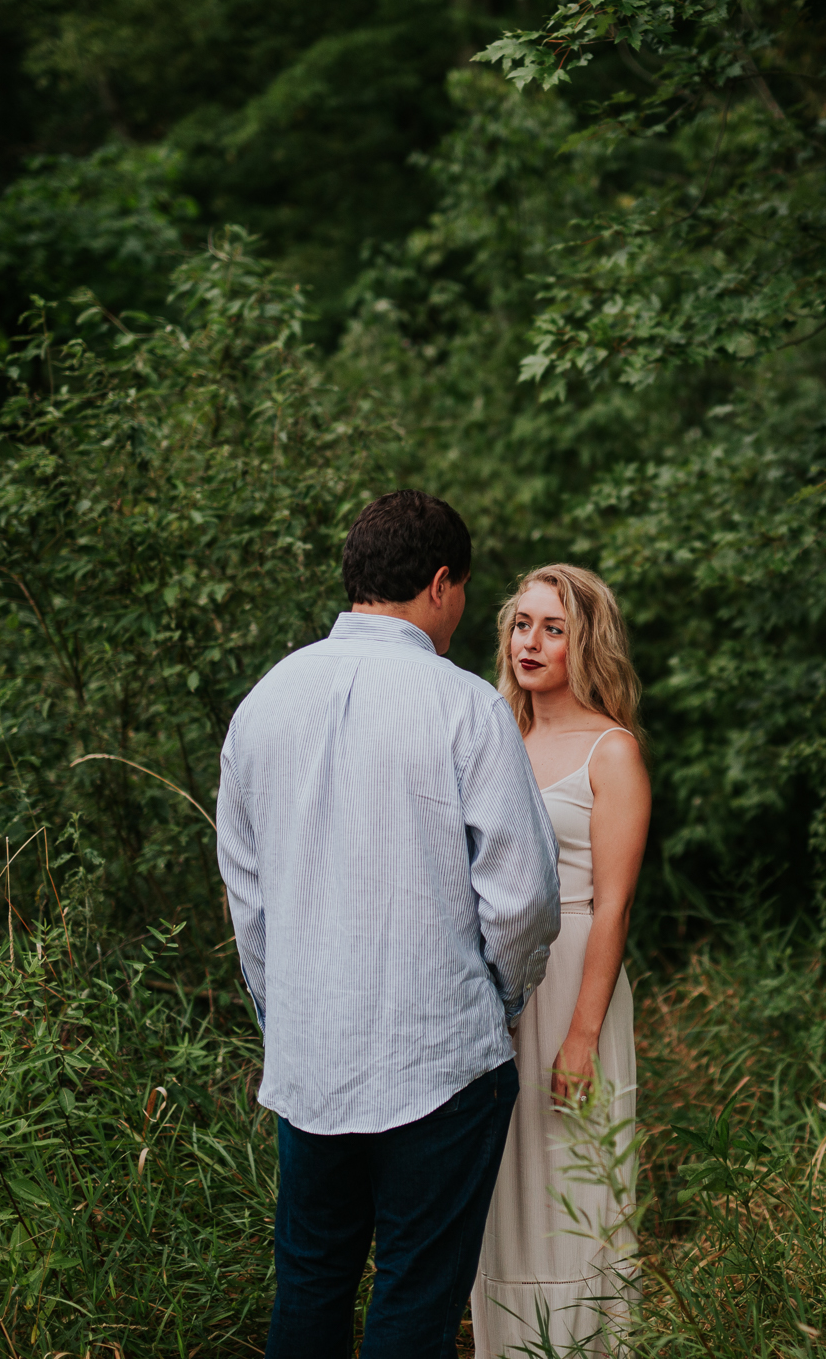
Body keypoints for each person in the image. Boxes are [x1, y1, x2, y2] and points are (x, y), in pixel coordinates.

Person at [217, 490, 562, 1358]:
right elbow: (522, 899)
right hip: (440, 1059)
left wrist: (282, 1016)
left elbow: (246, 902)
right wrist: (499, 1001)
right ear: (441, 585)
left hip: (311, 1062)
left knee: (311, 1279)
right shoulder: (465, 705)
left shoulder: (262, 703)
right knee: (415, 1290)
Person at [470, 565, 651, 1358]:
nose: (530, 643)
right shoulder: (493, 736)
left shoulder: (612, 752)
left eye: (552, 629)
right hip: (494, 992)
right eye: (521, 625)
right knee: (499, 1185)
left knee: (571, 1180)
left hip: (575, 982)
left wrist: (581, 1036)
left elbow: (611, 906)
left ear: (584, 644)